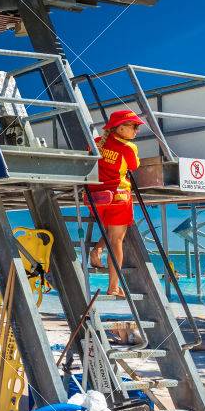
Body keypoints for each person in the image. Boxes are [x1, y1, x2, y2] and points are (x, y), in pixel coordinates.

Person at [87, 109, 145, 298]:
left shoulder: (96, 143)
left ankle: (97, 250)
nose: (137, 130)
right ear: (120, 128)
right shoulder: (128, 147)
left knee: (111, 232)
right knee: (117, 240)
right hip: (118, 197)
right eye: (134, 126)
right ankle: (113, 286)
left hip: (95, 198)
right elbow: (135, 166)